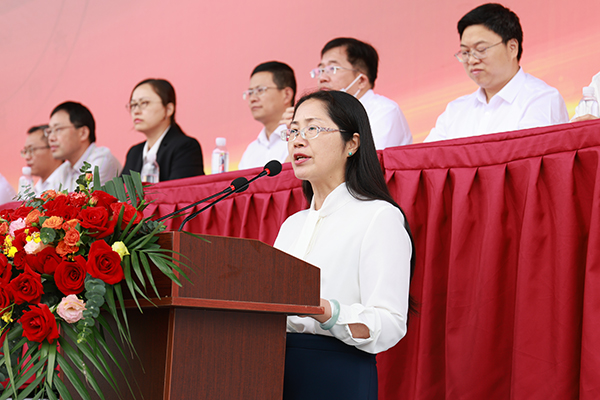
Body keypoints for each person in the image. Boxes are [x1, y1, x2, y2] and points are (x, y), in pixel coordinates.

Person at [274, 90, 414, 399]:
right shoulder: (291, 225)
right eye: (293, 131)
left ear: (352, 143)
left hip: (337, 376)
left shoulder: (379, 216)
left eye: (312, 128)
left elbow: (389, 323)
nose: (297, 141)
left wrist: (326, 310)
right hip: (273, 372)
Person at [425, 3, 569, 142]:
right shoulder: (455, 111)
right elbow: (426, 155)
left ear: (512, 48)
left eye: (480, 49)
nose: (472, 60)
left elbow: (527, 156)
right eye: (465, 52)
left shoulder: (541, 100)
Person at [281, 37, 412, 149]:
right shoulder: (322, 115)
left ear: (361, 80)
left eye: (332, 69)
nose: (322, 78)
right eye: (320, 70)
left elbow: (369, 164)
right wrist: (298, 131)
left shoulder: (384, 111)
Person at [121, 78, 205, 181]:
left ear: (168, 109)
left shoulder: (185, 147)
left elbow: (181, 190)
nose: (136, 111)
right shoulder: (134, 153)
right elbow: (120, 190)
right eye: (133, 105)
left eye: (144, 103)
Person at [46, 101, 121, 191]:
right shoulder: (65, 169)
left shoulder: (102, 161)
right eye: (49, 131)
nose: (51, 138)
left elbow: (85, 199)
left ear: (83, 133)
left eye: (58, 129)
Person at [239, 62, 295, 170]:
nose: (252, 99)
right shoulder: (251, 150)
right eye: (250, 92)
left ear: (287, 94)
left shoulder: (302, 139)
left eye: (260, 90)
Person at [22, 125, 63, 195]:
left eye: (32, 149)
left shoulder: (69, 181)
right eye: (26, 151)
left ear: (53, 148)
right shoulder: (37, 188)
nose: (27, 157)